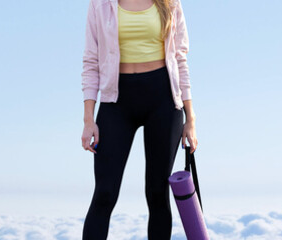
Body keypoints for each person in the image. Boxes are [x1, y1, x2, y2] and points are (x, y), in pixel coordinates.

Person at [78, 0, 197, 239]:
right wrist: (88, 119)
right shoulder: (100, 4)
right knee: (104, 193)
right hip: (116, 102)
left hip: (163, 101)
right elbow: (91, 61)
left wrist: (190, 119)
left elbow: (180, 59)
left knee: (157, 194)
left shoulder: (170, 3)